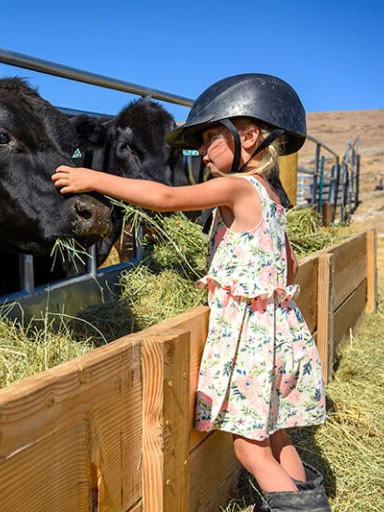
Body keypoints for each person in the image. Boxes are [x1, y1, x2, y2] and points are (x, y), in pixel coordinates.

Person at [52, 73, 330, 511]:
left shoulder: (239, 187)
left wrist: (94, 178)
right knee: (276, 436)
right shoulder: (274, 201)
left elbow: (164, 196)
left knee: (248, 449)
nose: (200, 151)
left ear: (250, 136)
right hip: (279, 336)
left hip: (251, 342)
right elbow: (289, 266)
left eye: (211, 138)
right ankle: (306, 499)